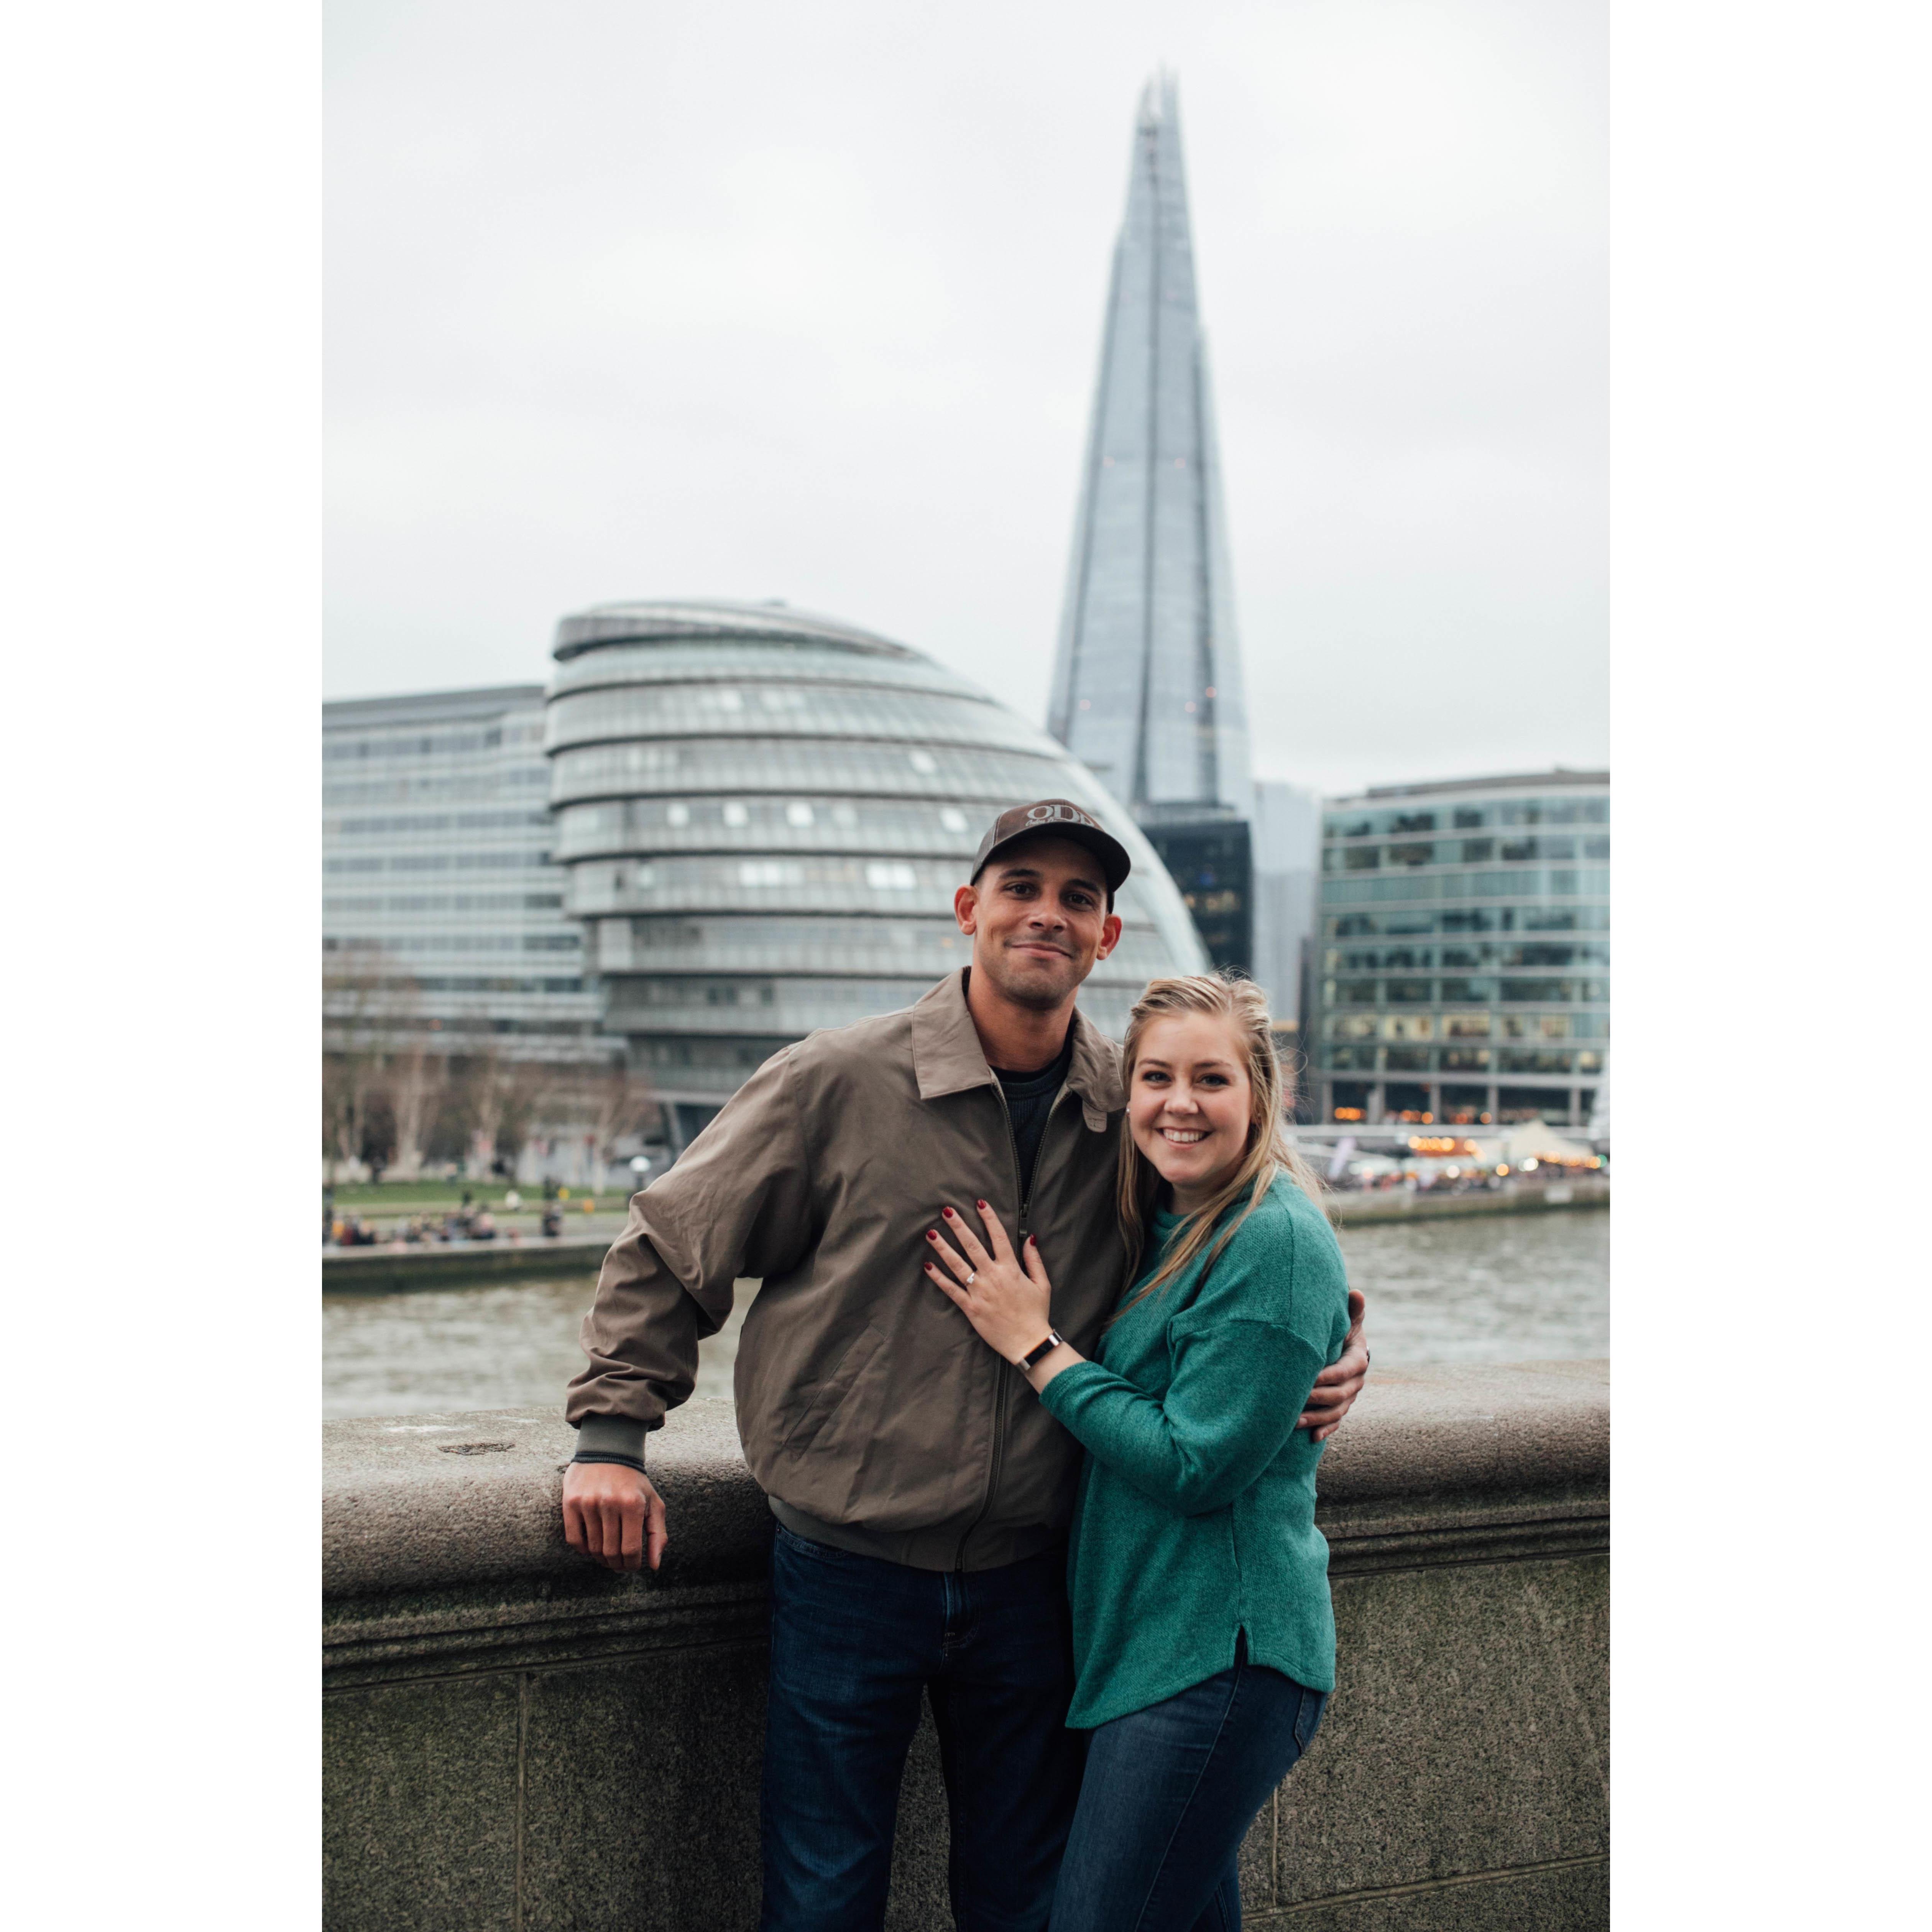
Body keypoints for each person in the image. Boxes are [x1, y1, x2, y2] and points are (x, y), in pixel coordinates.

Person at [560, 799, 1371, 1932]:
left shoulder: (1125, 1115)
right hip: (849, 1567)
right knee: (822, 1893)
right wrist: (612, 1439)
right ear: (968, 911)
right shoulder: (835, 1081)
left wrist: (1335, 1344)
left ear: (1107, 938)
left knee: (1020, 1897)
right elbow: (668, 1246)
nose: (1048, 914)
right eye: (1022, 888)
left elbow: (1238, 1256)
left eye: (1078, 899)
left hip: (1036, 1582)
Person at [925, 973, 1350, 1931]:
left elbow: (1195, 1465)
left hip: (1219, 1660)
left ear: (1261, 1094)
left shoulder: (1271, 1239)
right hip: (1149, 1652)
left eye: (1212, 1079)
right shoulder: (1165, 1219)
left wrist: (1037, 1347)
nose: (1180, 1103)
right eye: (1156, 1077)